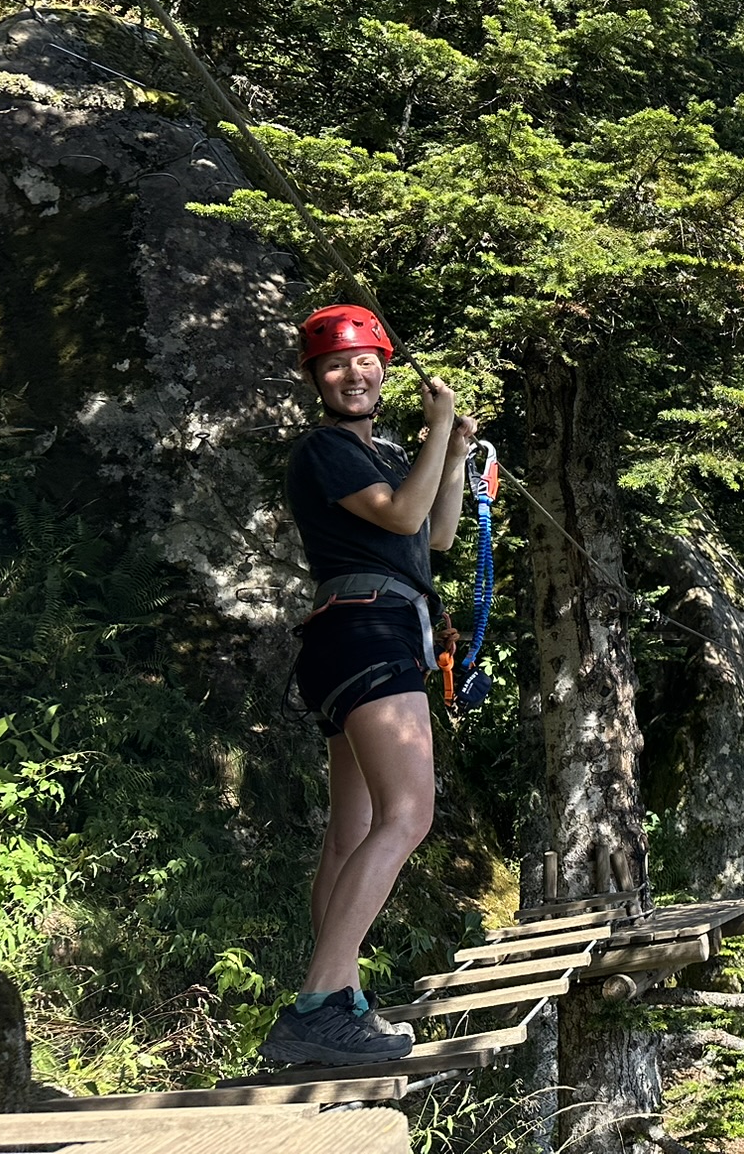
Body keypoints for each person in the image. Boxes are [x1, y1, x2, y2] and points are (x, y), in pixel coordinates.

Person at [260, 304, 476, 1066]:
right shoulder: (325, 449)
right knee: (409, 814)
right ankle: (319, 1006)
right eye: (333, 366)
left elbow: (436, 533)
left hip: (354, 637)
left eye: (362, 361)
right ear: (316, 381)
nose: (351, 374)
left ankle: (338, 1000)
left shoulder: (379, 454)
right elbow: (403, 513)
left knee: (352, 829)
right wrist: (442, 425)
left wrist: (446, 455)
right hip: (368, 631)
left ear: (382, 367)